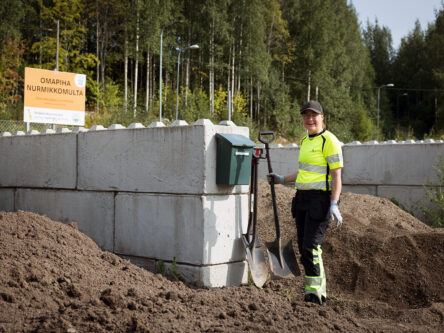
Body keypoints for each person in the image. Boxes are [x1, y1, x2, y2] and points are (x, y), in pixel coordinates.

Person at [268, 100, 343, 306]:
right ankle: (310, 293)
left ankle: (318, 296)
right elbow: (305, 173)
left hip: (320, 200)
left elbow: (336, 176)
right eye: (306, 116)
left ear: (322, 117)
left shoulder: (329, 141)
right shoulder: (305, 140)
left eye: (314, 115)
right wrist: (282, 179)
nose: (310, 119)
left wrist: (334, 203)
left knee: (312, 247)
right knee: (303, 247)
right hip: (302, 198)